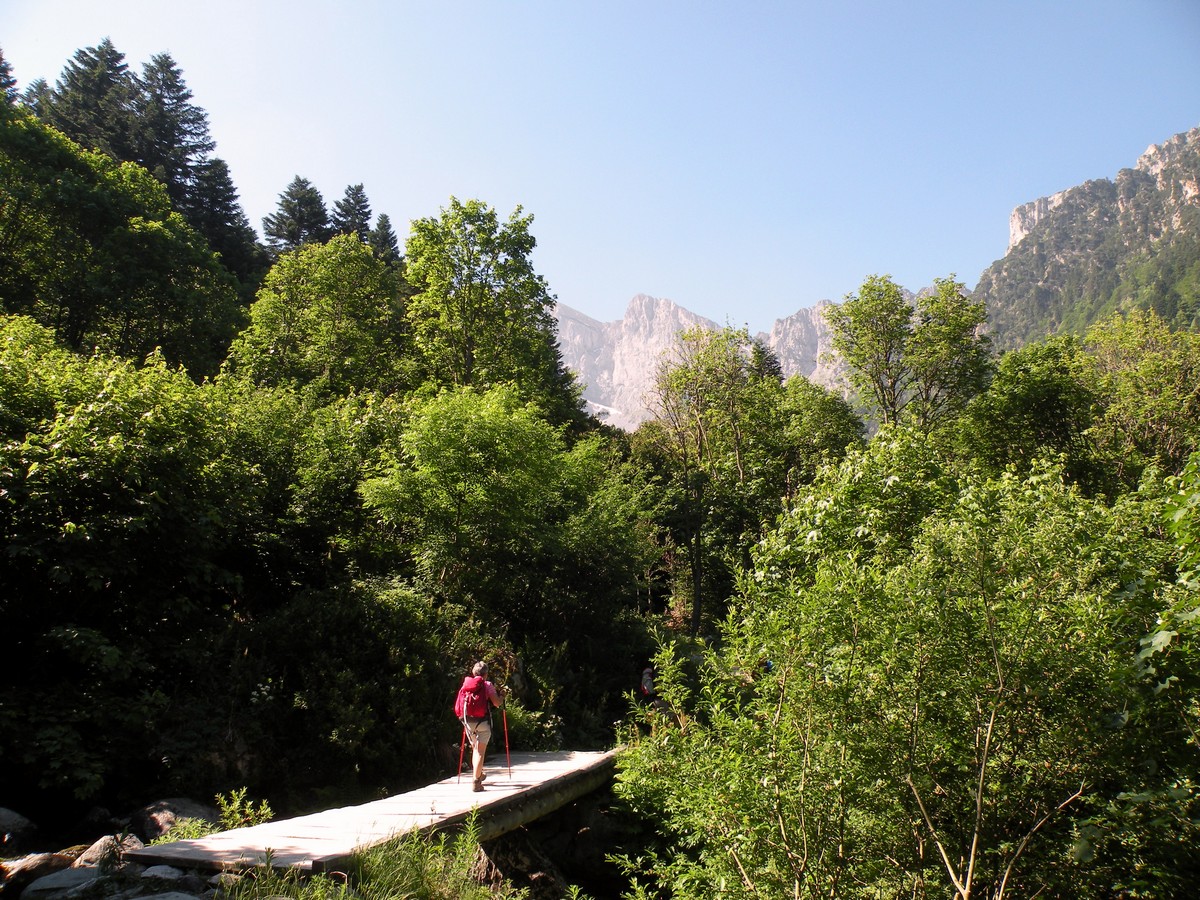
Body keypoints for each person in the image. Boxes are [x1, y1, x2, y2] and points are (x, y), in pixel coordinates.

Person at [460, 661, 503, 792]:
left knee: (475, 749)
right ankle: (476, 781)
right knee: (480, 751)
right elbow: (497, 703)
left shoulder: (466, 684)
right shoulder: (487, 685)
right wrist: (502, 696)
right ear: (486, 674)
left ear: (474, 673)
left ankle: (478, 774)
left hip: (467, 721)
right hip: (482, 722)